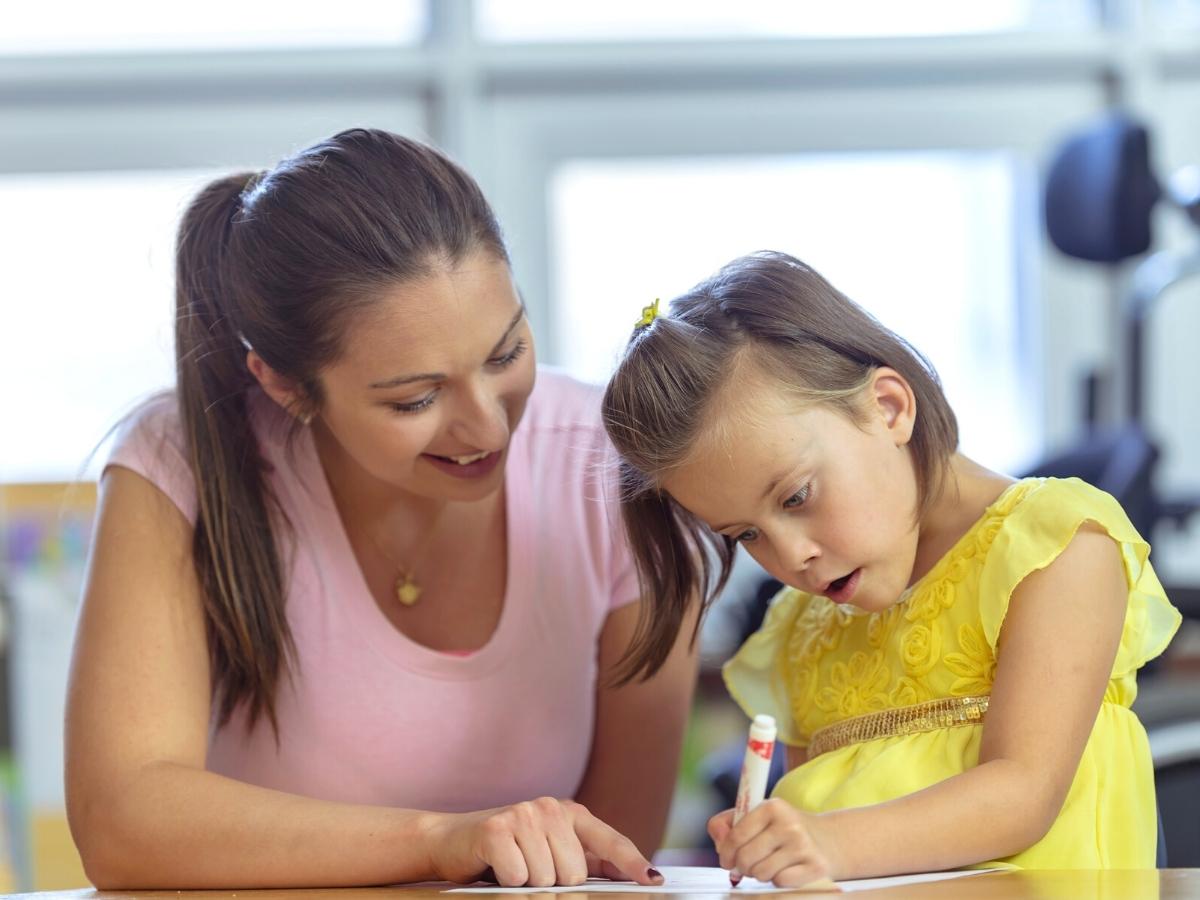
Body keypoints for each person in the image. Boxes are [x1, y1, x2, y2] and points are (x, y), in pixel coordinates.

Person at [66, 128, 697, 890]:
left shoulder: (613, 466)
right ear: (284, 386)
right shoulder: (179, 461)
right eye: (416, 399)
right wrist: (439, 841)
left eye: (505, 354)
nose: (489, 428)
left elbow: (615, 853)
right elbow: (122, 821)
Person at [600, 251, 1182, 887]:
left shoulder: (1057, 546)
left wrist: (829, 842)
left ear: (887, 407)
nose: (790, 558)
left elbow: (1023, 794)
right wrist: (778, 845)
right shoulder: (799, 628)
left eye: (796, 497)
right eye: (746, 535)